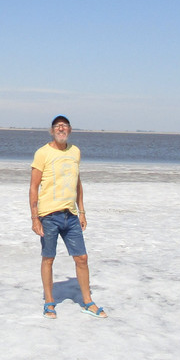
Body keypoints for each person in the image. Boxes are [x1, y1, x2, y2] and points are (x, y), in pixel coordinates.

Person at [29, 115, 107, 319]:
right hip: (48, 216)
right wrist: (35, 218)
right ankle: (49, 302)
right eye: (57, 126)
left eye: (64, 126)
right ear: (52, 131)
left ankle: (88, 302)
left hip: (70, 215)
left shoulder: (75, 152)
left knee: (82, 258)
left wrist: (82, 211)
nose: (61, 129)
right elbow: (34, 187)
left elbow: (77, 183)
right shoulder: (42, 153)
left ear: (70, 130)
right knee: (48, 258)